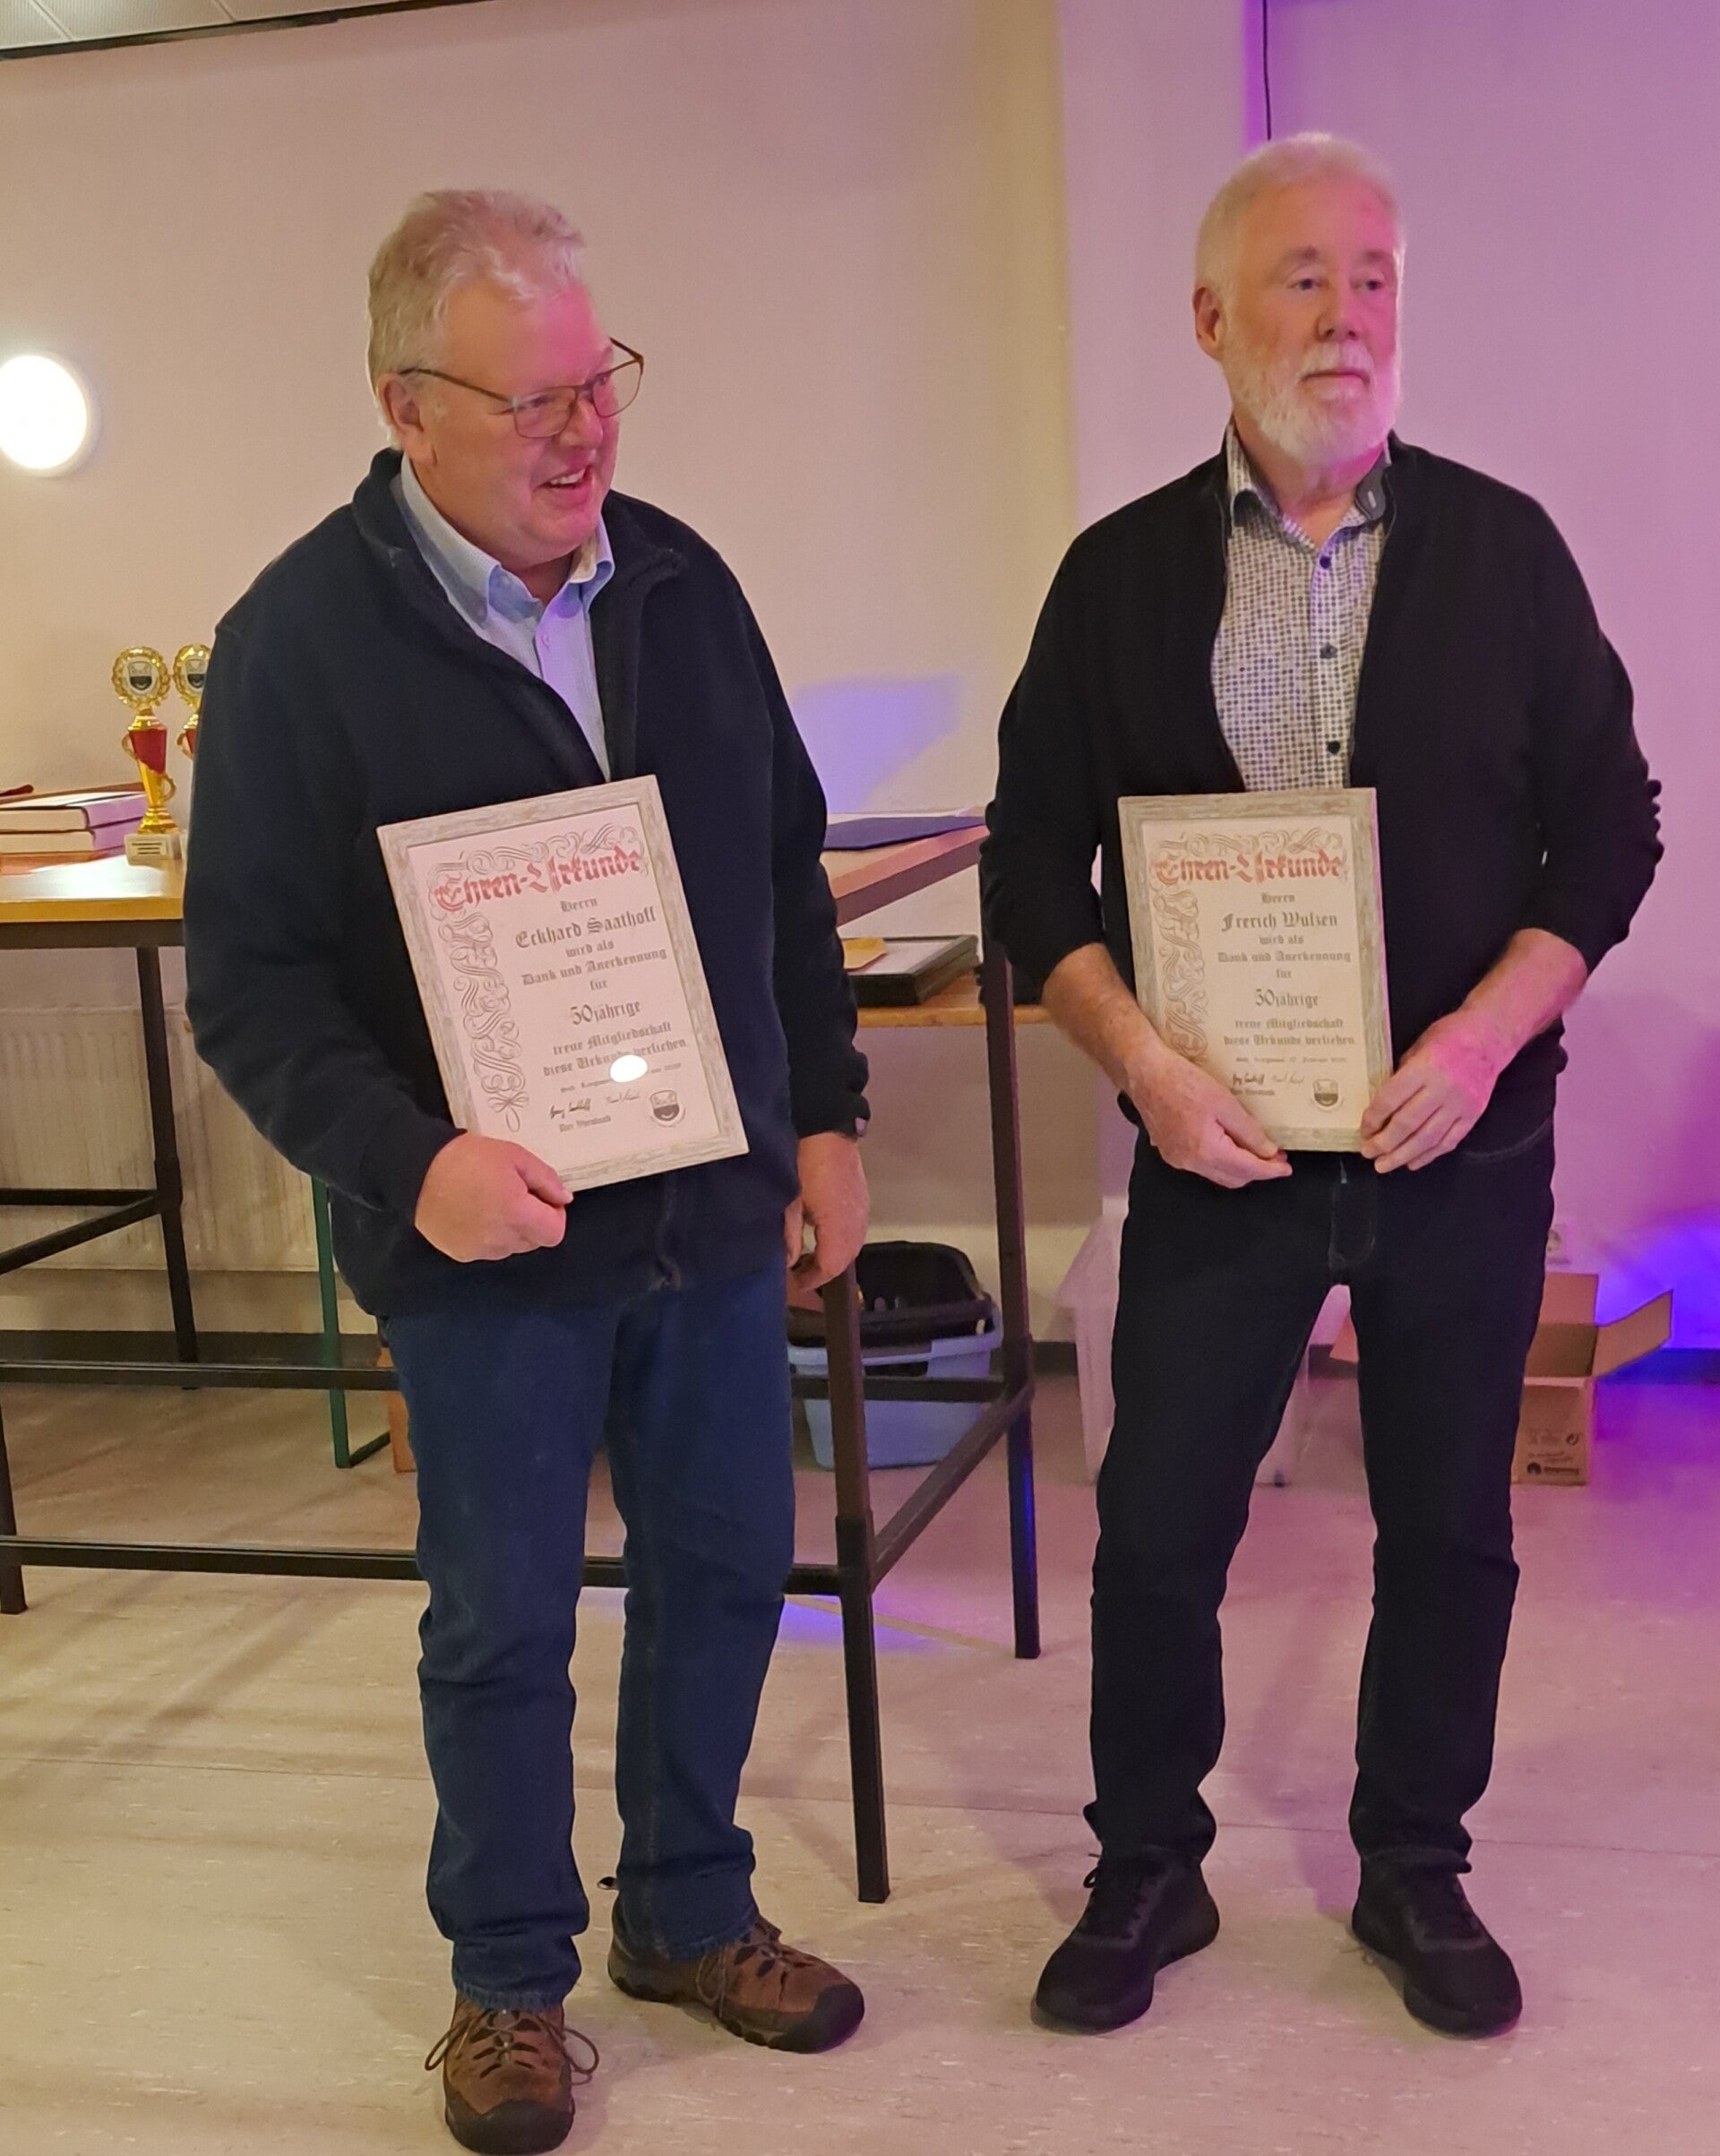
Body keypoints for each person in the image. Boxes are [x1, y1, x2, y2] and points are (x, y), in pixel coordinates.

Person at [185, 190, 872, 2153]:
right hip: (486, 1244)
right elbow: (250, 983)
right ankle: (506, 1977)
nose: (588, 433)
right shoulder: (298, 640)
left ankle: (689, 1907)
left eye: (601, 382)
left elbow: (783, 875)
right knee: (500, 1618)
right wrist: (414, 1168)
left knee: (724, 1567)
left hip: (710, 1212)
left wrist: (825, 1116)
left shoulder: (684, 585)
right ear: (405, 405)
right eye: (536, 400)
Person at [984, 134, 1660, 2041]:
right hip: (1217, 1158)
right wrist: (1139, 1059)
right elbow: (1030, 865)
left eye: (1375, 279)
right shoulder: (1115, 579)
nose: (1348, 316)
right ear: (1209, 318)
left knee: (1449, 1526)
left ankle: (1414, 1858)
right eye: (1303, 277)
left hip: (1460, 1143)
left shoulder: (1507, 552)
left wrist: (1484, 1035)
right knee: (1157, 1526)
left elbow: (1612, 830)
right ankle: (1149, 1860)